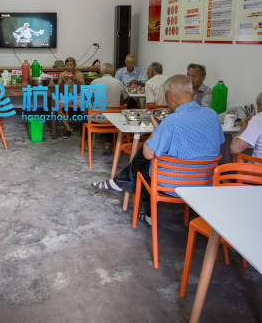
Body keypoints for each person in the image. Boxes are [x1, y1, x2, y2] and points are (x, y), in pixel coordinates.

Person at [91, 75, 224, 223]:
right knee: (152, 154)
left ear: (169, 96)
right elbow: (217, 143)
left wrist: (156, 132)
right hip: (206, 181)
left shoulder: (172, 121)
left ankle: (146, 213)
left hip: (173, 184)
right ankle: (118, 182)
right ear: (191, 92)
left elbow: (148, 154)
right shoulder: (212, 115)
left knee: (144, 161)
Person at [89, 63, 128, 153]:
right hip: (114, 121)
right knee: (111, 116)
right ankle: (107, 144)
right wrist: (119, 104)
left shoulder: (95, 82)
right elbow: (126, 98)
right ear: (113, 72)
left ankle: (88, 142)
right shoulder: (119, 83)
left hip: (96, 119)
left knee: (85, 119)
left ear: (100, 72)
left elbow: (88, 98)